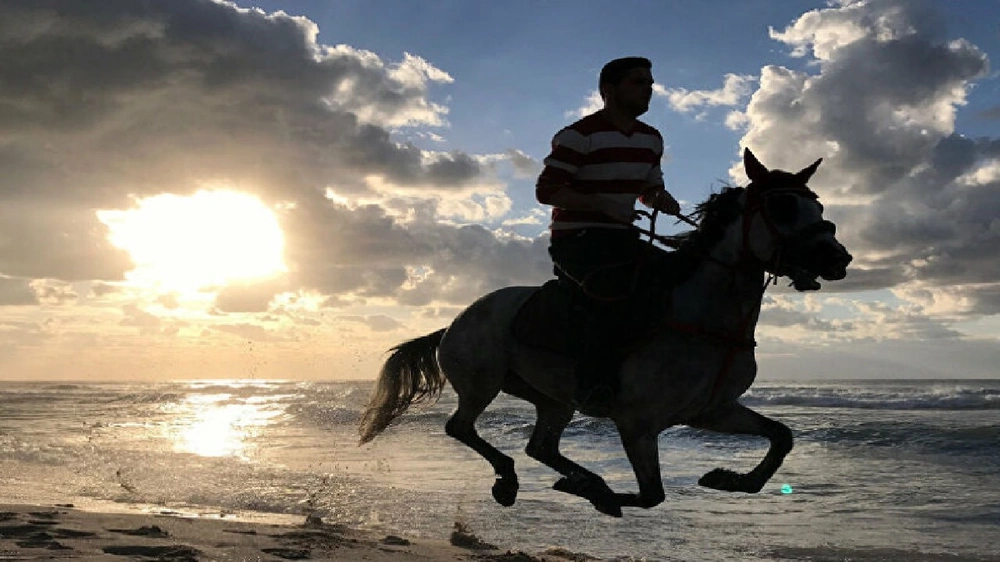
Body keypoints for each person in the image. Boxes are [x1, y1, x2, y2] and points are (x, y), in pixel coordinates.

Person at [535, 56, 681, 416]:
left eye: (649, 83)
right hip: (577, 240)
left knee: (681, 276)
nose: (648, 89)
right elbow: (547, 190)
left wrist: (659, 198)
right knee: (612, 292)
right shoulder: (579, 136)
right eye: (638, 83)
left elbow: (649, 186)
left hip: (621, 238)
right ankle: (592, 385)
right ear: (608, 91)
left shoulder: (651, 139)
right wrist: (602, 205)